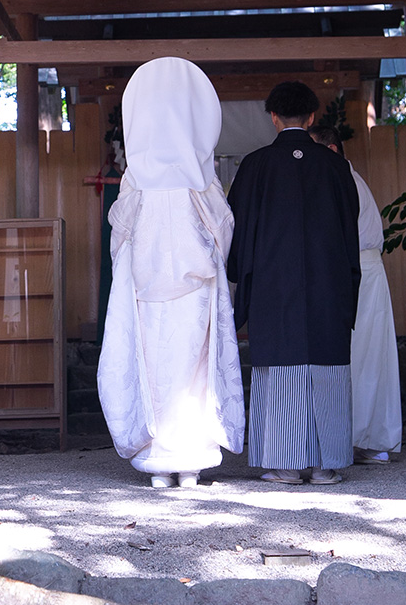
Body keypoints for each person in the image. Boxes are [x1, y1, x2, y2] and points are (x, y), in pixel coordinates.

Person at [97, 57, 245, 488]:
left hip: (144, 287)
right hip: (196, 289)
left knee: (152, 368)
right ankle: (191, 460)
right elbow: (223, 229)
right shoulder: (200, 177)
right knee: (193, 371)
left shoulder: (137, 177)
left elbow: (120, 234)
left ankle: (158, 460)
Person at [227, 81, 360, 484]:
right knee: (326, 366)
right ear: (312, 116)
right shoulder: (335, 166)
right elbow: (349, 227)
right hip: (327, 283)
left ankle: (284, 464)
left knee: (279, 366)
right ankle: (325, 465)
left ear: (273, 117)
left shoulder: (255, 165)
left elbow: (237, 228)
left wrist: (241, 273)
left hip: (272, 284)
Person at [309, 123, 402, 464]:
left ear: (331, 150)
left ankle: (361, 438)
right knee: (361, 355)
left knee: (362, 355)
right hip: (358, 268)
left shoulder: (342, 179)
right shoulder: (343, 178)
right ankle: (360, 438)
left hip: (359, 270)